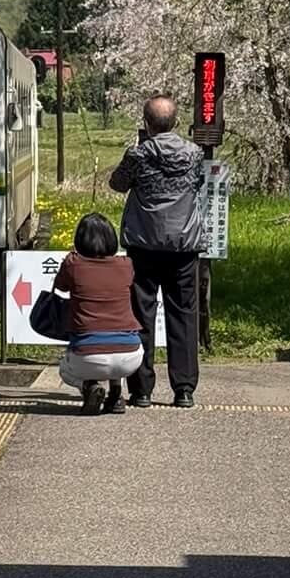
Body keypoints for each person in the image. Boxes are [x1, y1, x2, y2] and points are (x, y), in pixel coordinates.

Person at [108, 93, 205, 408]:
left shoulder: (138, 155)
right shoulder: (194, 154)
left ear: (146, 123)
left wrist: (137, 150)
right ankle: (184, 390)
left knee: (140, 315)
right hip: (183, 246)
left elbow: (117, 184)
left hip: (143, 245)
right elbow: (199, 183)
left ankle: (141, 390)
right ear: (176, 122)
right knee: (184, 315)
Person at [54, 213, 144, 415]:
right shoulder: (126, 264)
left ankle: (89, 387)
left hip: (88, 354)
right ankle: (116, 394)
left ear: (80, 240)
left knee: (65, 370)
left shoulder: (73, 264)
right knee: (115, 344)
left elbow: (60, 286)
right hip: (131, 354)